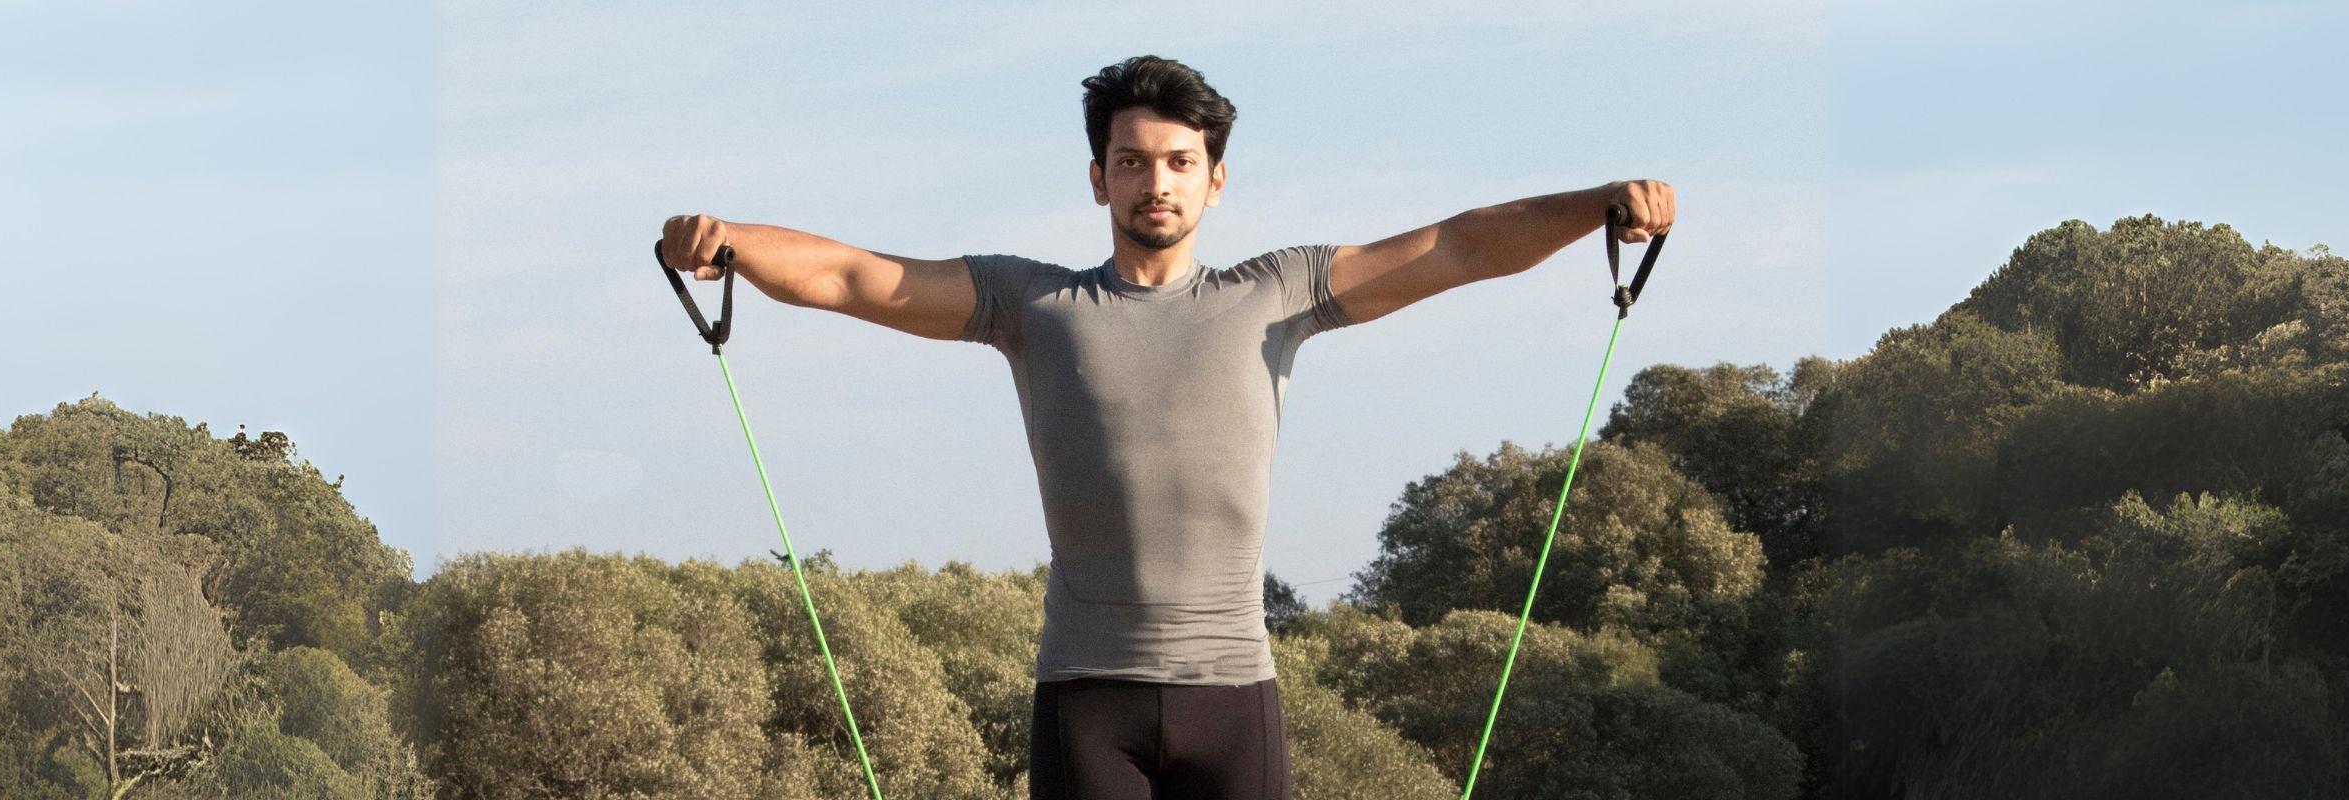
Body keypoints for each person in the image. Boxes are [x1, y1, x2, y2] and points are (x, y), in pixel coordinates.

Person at [657, 54, 1674, 800]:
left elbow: (1455, 246)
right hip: (1085, 699)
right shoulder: (1031, 304)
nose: (1157, 183)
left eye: (1180, 162)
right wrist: (728, 242)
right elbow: (853, 275)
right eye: (1134, 161)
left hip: (1234, 696)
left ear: (1214, 179)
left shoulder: (1279, 293)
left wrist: (1598, 206)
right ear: (1098, 176)